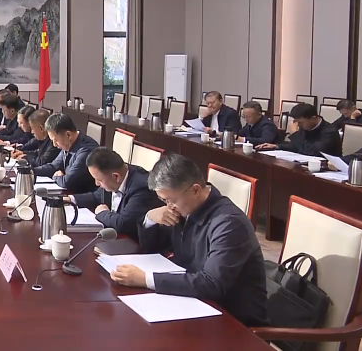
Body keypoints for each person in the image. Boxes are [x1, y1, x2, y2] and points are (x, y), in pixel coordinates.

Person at [112, 153, 268, 327]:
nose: (168, 206)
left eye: (170, 200)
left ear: (195, 190)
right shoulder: (185, 207)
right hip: (191, 303)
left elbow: (212, 283)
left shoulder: (229, 223)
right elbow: (154, 249)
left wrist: (145, 279)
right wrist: (150, 219)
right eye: (164, 200)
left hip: (232, 321)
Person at [67, 148, 163, 241]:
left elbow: (123, 223)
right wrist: (70, 199)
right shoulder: (113, 176)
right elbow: (96, 196)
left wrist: (102, 213)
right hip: (113, 237)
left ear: (116, 177)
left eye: (99, 180)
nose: (96, 184)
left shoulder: (141, 187)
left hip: (132, 243)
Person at [40, 113, 99, 194]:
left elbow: (67, 182)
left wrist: (56, 177)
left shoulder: (86, 150)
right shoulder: (68, 143)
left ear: (68, 135)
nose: (54, 144)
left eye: (56, 140)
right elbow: (53, 166)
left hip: (83, 197)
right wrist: (32, 171)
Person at [257, 102, 342, 156]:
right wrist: (277, 146)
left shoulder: (329, 131)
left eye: (300, 122)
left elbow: (313, 151)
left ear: (313, 118)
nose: (298, 125)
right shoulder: (305, 126)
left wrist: (295, 134)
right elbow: (298, 146)